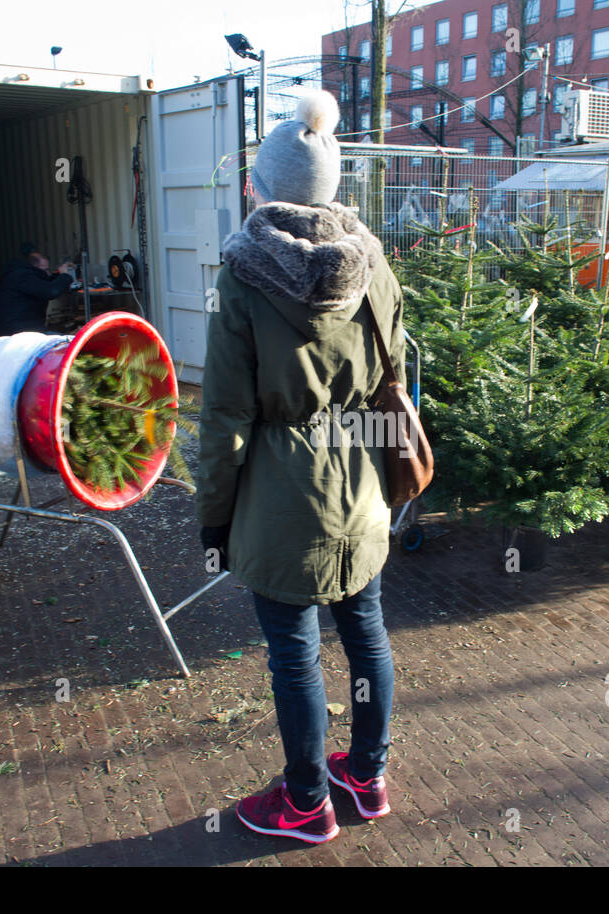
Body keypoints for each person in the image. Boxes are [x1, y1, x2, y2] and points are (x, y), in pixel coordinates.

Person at [195, 89, 406, 844]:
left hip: (285, 501)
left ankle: (306, 803)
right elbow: (395, 375)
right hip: (365, 488)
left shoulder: (242, 279)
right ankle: (368, 774)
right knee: (367, 633)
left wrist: (213, 518)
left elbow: (223, 418)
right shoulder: (374, 265)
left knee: (294, 657)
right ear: (334, 188)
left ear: (258, 186)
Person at [0, 248, 75, 335]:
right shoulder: (21, 276)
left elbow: (43, 284)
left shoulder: (24, 274)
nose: (47, 273)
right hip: (16, 332)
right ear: (34, 267)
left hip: (25, 328)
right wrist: (65, 275)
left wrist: (58, 274)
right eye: (45, 270)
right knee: (65, 343)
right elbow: (51, 291)